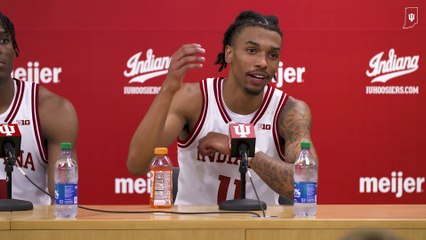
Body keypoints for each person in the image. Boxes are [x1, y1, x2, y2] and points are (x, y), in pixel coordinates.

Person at [127, 10, 318, 205]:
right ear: (229, 53)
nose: (263, 62)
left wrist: (242, 150)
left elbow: (307, 183)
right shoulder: (194, 99)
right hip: (193, 230)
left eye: (273, 55)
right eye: (252, 51)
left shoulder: (290, 110)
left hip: (257, 231)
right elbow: (137, 164)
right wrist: (168, 89)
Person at [0, 12, 78, 205]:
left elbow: (63, 204)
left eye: (3, 40)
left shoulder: (50, 109)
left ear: (14, 48)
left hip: (29, 231)